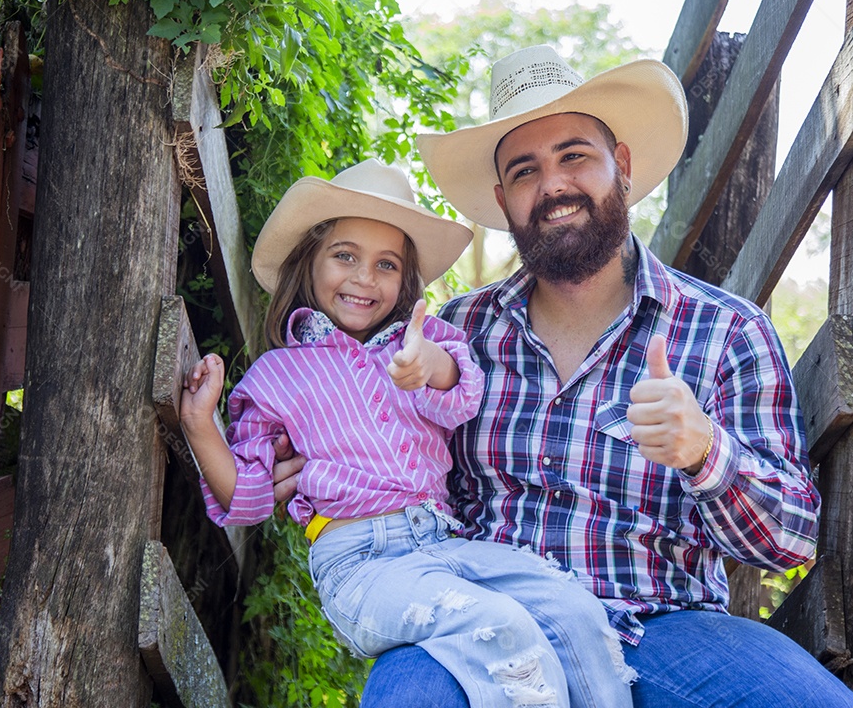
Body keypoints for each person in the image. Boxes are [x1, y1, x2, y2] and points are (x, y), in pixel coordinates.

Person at [286, 48, 853, 706]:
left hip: (667, 629)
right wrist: (305, 456)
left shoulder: (725, 332)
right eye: (526, 170)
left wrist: (706, 450)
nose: (553, 185)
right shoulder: (459, 332)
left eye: (573, 157)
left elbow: (790, 538)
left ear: (619, 165)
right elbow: (378, 441)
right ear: (504, 200)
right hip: (481, 622)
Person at [179, 158, 637, 708]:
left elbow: (462, 397)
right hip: (361, 563)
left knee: (572, 609)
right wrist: (201, 423)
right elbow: (247, 498)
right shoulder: (275, 376)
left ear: (404, 282)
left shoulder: (418, 342)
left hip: (447, 543)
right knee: (497, 627)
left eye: (386, 264)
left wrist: (428, 363)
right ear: (309, 263)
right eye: (344, 256)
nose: (364, 278)